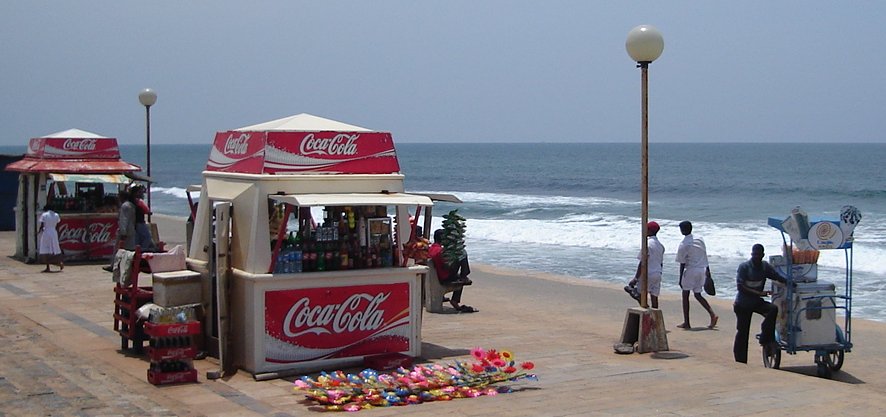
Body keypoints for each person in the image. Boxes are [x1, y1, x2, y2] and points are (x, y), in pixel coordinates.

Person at [733, 243, 788, 363]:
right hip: (742, 304)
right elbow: (740, 287)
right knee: (743, 332)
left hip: (756, 302)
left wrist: (789, 282)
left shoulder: (764, 267)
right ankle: (740, 361)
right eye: (754, 254)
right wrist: (759, 293)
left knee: (772, 309)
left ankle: (765, 337)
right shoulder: (744, 267)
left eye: (758, 255)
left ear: (763, 255)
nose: (756, 257)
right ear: (751, 254)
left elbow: (776, 276)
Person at [675, 220, 718, 329]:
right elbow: (705, 255)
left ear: (682, 230)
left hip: (691, 271)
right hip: (702, 270)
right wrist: (709, 272)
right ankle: (712, 314)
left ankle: (687, 322)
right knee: (698, 294)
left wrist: (680, 278)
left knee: (685, 295)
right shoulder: (700, 239)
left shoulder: (684, 244)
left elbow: (682, 263)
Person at [428, 228, 476, 313]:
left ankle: (463, 275)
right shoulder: (440, 251)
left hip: (438, 275)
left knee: (458, 272)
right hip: (444, 276)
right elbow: (446, 266)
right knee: (462, 253)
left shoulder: (432, 248)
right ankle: (464, 275)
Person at [625, 221, 665, 308]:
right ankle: (654, 318)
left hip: (648, 273)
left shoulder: (647, 244)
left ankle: (646, 310)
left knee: (639, 294)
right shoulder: (661, 246)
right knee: (654, 298)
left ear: (649, 231)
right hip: (657, 273)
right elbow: (661, 262)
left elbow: (643, 262)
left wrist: (636, 278)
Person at [130, 184, 156, 251]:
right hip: (140, 222)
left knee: (138, 239)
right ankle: (143, 250)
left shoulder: (131, 201)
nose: (142, 193)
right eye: (140, 192)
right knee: (147, 237)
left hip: (134, 223)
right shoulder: (138, 202)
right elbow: (147, 211)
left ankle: (138, 250)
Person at [38, 206, 63, 272]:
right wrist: (58, 233)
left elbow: (42, 225)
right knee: (55, 248)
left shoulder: (44, 215)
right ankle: (59, 262)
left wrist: (38, 232)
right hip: (54, 233)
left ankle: (49, 266)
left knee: (46, 249)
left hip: (46, 233)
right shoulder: (56, 215)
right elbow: (58, 226)